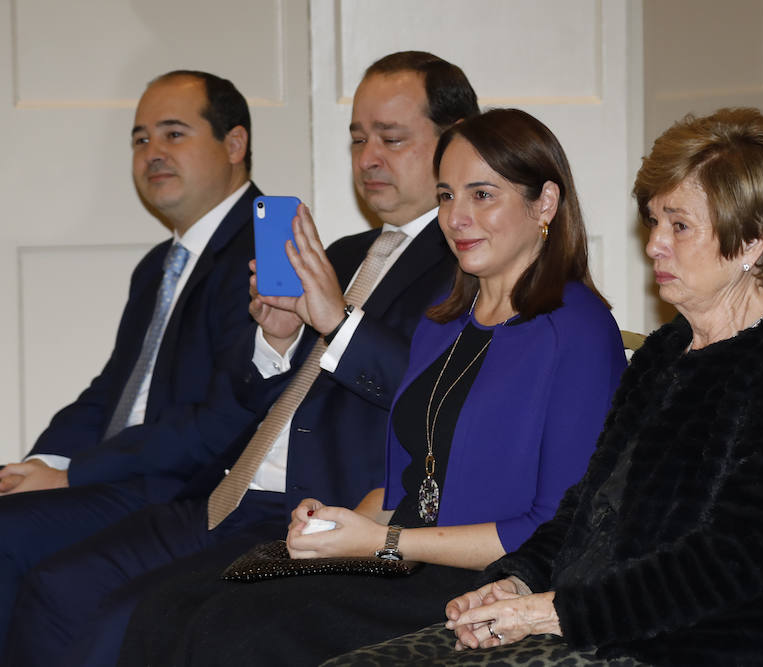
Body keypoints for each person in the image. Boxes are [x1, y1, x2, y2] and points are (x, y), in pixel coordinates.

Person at [0, 51, 475, 667]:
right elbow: (251, 392)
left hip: (316, 507)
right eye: (358, 138)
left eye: (391, 138)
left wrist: (338, 322)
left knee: (127, 622)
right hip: (232, 491)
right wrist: (276, 340)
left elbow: (436, 398)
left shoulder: (463, 262)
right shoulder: (346, 250)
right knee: (59, 591)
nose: (368, 158)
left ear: (453, 142)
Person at [334, 107, 763, 667]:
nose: (654, 245)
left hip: (704, 646)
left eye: (679, 226)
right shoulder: (665, 353)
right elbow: (586, 510)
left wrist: (551, 613)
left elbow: (731, 560)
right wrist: (514, 584)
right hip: (601, 629)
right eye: (653, 222)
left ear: (752, 241)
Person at [116, 107, 626, 667]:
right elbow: (402, 486)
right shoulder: (443, 322)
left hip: (487, 582)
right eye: (446, 195)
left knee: (235, 633)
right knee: (166, 608)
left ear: (544, 203)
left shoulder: (576, 329)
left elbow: (556, 526)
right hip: (405, 559)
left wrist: (380, 543)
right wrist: (338, 525)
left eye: (482, 195)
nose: (456, 217)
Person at [0, 69, 262, 655]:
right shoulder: (159, 266)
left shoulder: (263, 252)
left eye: (173, 134)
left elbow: (227, 419)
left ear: (235, 144)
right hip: (127, 476)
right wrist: (39, 462)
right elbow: (111, 391)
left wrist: (75, 476)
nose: (153, 154)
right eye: (141, 140)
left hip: (188, 493)